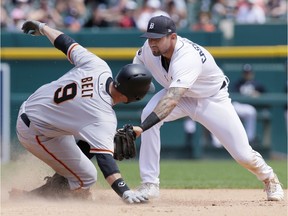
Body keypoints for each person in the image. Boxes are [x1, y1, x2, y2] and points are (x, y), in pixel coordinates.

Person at [129, 15, 284, 201]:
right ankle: (149, 184)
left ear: (172, 37)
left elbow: (171, 100)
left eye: (157, 38)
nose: (152, 42)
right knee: (148, 114)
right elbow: (136, 68)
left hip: (211, 99)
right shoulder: (148, 49)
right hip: (181, 95)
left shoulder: (187, 56)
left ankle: (269, 178)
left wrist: (142, 128)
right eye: (149, 37)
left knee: (243, 154)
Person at [12, 20, 153, 204]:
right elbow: (105, 162)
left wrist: (43, 28)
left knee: (87, 149)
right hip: (36, 131)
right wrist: (125, 192)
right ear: (133, 98)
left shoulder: (98, 66)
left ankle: (35, 193)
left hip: (38, 108)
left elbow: (65, 42)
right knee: (86, 177)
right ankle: (33, 199)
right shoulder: (102, 118)